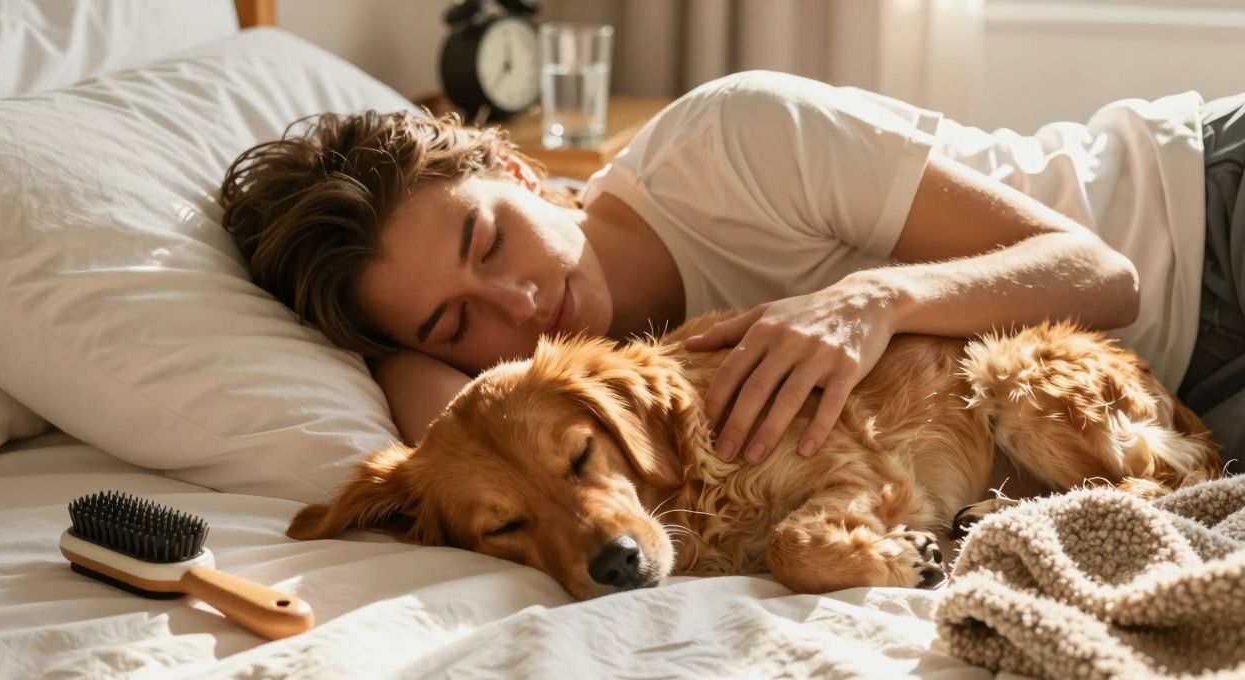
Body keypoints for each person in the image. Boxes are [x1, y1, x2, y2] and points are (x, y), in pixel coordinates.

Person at [219, 71, 1243, 468]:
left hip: (1196, 206)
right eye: (453, 323)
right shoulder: (605, 394)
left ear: (519, 169)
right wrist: (397, 361)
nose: (519, 303)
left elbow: (1102, 275)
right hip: (1169, 402)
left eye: (488, 243)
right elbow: (463, 443)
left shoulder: (732, 139)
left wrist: (870, 300)